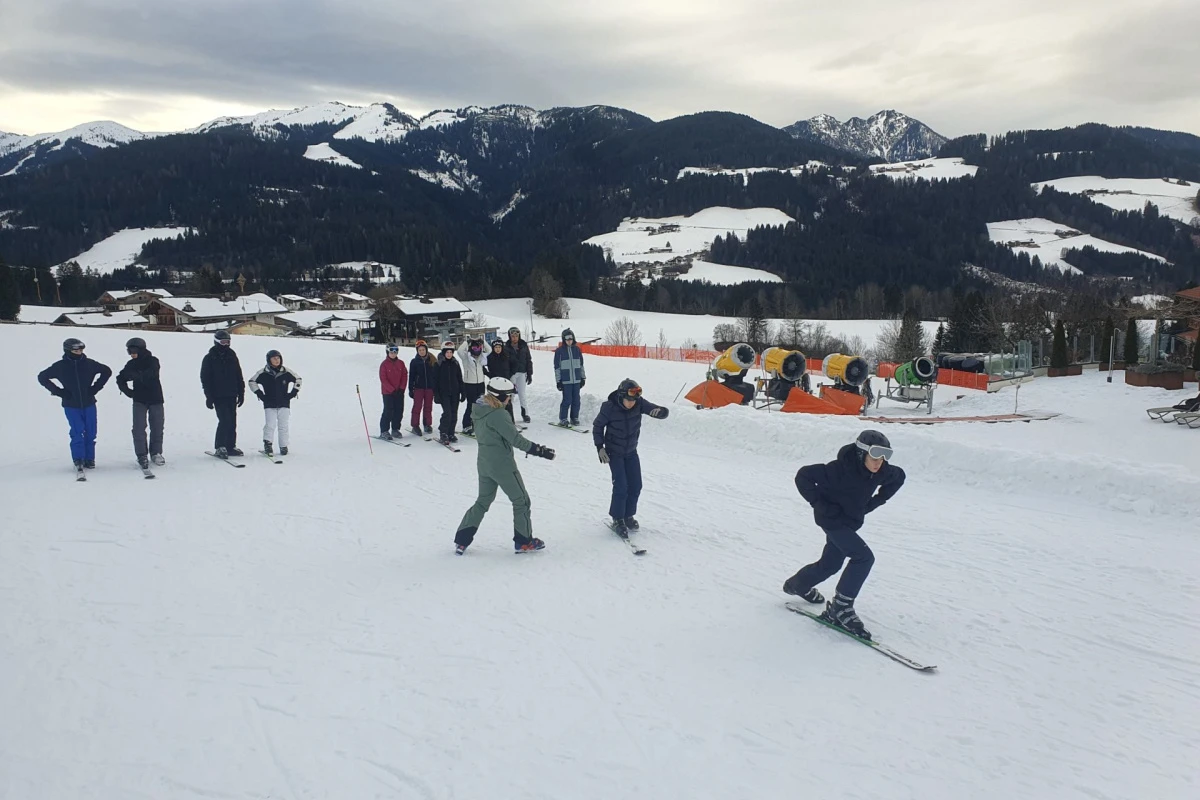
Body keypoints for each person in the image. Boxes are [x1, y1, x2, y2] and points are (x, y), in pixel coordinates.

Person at [782, 430, 906, 640]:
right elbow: (803, 476)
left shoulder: (882, 471)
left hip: (850, 523)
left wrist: (874, 502)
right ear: (861, 454)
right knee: (863, 557)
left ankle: (798, 584)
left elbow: (899, 477)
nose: (879, 463)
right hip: (831, 520)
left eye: (884, 457)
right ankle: (841, 607)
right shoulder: (838, 470)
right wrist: (819, 503)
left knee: (831, 564)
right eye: (875, 457)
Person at [453, 377, 556, 555]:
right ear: (500, 396)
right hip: (502, 465)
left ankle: (462, 540)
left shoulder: (479, 409)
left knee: (483, 501)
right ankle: (524, 542)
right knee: (522, 501)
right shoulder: (498, 415)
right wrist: (540, 451)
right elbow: (516, 439)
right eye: (508, 396)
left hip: (484, 463)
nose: (510, 399)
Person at [591, 378, 669, 534]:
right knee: (621, 486)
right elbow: (597, 426)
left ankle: (628, 516)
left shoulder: (639, 403)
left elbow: (657, 410)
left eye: (634, 400)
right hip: (614, 453)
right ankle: (617, 518)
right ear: (621, 396)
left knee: (636, 485)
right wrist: (600, 447)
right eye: (629, 400)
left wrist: (662, 412)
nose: (631, 403)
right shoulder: (609, 407)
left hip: (631, 451)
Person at [37, 337, 112, 469]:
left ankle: (89, 459)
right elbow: (42, 377)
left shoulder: (89, 364)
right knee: (77, 431)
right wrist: (59, 392)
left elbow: (107, 371)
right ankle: (78, 458)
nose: (79, 352)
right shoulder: (60, 366)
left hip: (89, 403)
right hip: (71, 405)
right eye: (76, 350)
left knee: (91, 432)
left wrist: (95, 388)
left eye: (81, 350)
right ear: (68, 351)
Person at [115, 337, 165, 468]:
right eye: (129, 351)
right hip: (139, 400)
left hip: (155, 399)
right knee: (138, 428)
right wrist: (128, 392)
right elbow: (120, 378)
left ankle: (156, 453)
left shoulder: (153, 361)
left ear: (140, 350)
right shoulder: (131, 364)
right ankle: (141, 455)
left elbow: (150, 374)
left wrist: (134, 375)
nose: (131, 354)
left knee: (157, 427)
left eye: (133, 351)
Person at [248, 349, 302, 457]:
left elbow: (298, 379)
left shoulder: (286, 371)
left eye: (278, 358)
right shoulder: (263, 373)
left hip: (284, 403)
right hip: (269, 403)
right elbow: (252, 381)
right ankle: (268, 444)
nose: (277, 360)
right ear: (269, 360)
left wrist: (293, 392)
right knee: (270, 425)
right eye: (274, 358)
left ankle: (283, 446)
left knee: (283, 426)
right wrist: (260, 394)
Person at [200, 329, 245, 458]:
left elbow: (238, 375)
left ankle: (230, 446)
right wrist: (209, 397)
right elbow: (205, 378)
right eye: (223, 342)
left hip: (232, 394)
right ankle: (220, 446)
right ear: (216, 342)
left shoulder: (232, 356)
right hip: (218, 395)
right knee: (224, 420)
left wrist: (241, 393)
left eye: (228, 342)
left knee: (232, 421)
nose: (226, 345)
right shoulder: (209, 358)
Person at [553, 327, 585, 426]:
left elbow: (581, 365)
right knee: (567, 400)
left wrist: (582, 377)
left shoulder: (577, 350)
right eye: (567, 339)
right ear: (564, 340)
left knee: (576, 400)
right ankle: (563, 418)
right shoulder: (559, 351)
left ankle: (574, 417)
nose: (569, 341)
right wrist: (558, 381)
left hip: (576, 380)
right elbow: (557, 367)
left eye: (571, 339)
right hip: (566, 381)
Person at [434, 341, 463, 444]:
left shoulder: (455, 363)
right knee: (447, 413)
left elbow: (459, 378)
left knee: (454, 413)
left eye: (451, 352)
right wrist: (436, 394)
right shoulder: (438, 364)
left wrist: (462, 391)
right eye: (447, 352)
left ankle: (451, 432)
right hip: (444, 393)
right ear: (443, 352)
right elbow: (435, 381)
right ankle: (443, 432)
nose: (449, 354)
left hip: (455, 393)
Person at [503, 326, 533, 423]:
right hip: (512, 374)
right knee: (511, 395)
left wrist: (529, 374)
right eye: (513, 336)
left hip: (522, 372)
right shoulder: (506, 347)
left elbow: (528, 359)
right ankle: (509, 414)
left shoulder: (523, 345)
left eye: (516, 336)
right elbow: (505, 362)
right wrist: (507, 374)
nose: (515, 338)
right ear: (510, 336)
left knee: (522, 394)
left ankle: (525, 414)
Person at [457, 336, 487, 434]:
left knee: (481, 405)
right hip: (469, 384)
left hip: (480, 384)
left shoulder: (482, 358)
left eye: (478, 348)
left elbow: (490, 350)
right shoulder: (466, 357)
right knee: (471, 405)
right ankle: (466, 425)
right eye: (474, 348)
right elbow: (459, 351)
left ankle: (477, 424)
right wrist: (467, 341)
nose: (476, 350)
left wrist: (483, 341)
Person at [378, 343, 408, 439]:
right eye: (391, 352)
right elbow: (383, 379)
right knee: (388, 411)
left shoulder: (401, 363)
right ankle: (384, 431)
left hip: (399, 392)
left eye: (395, 352)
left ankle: (395, 429)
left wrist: (402, 388)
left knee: (399, 411)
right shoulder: (384, 365)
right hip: (388, 393)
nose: (393, 354)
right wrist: (391, 389)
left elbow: (404, 375)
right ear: (387, 352)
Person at [408, 340, 436, 436]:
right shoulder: (414, 362)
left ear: (426, 350)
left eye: (423, 350)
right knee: (417, 407)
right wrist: (410, 389)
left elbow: (435, 376)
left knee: (428, 407)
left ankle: (427, 424)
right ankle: (415, 426)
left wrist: (435, 387)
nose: (422, 352)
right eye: (419, 350)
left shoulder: (431, 360)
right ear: (417, 351)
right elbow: (411, 376)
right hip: (418, 388)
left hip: (429, 388)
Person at [485, 339, 515, 422]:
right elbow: (488, 369)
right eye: (496, 347)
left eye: (499, 347)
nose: (498, 349)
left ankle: (510, 422)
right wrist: (487, 373)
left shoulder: (507, 356)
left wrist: (509, 374)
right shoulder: (490, 357)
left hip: (505, 384)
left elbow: (514, 365)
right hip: (495, 385)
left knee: (507, 403)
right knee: (495, 403)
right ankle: (497, 422)